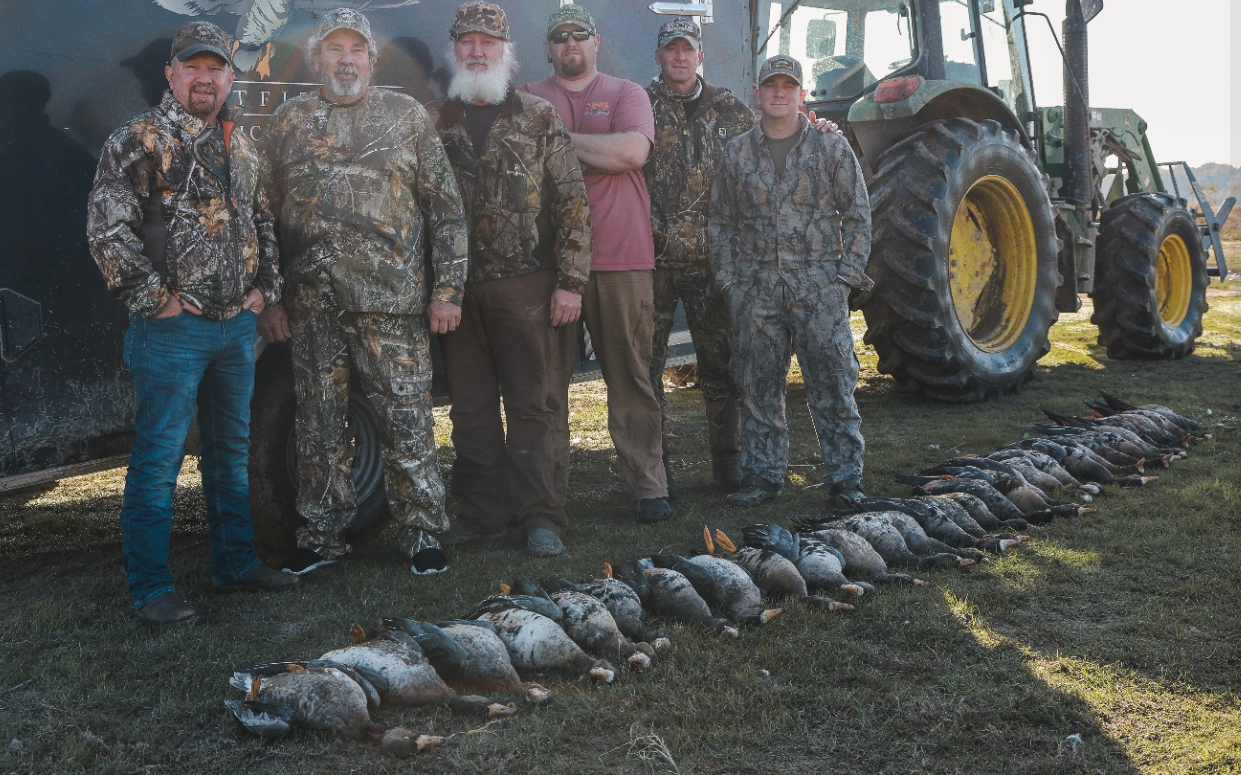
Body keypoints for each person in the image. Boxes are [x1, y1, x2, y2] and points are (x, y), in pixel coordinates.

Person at [86, 21, 298, 624]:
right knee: (159, 458)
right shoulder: (138, 140)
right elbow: (107, 232)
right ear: (171, 73)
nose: (205, 78)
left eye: (216, 68)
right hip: (171, 333)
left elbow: (263, 223)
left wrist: (264, 291)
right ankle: (152, 589)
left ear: (231, 77)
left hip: (236, 330)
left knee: (230, 452)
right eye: (194, 67)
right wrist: (157, 300)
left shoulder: (241, 145)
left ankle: (236, 563)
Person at [257, 8, 469, 576]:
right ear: (317, 58)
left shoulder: (405, 117)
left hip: (391, 304)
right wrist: (271, 297)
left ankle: (422, 532)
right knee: (317, 423)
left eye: (356, 50)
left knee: (407, 421)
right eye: (335, 49)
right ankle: (322, 536)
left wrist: (448, 290)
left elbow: (446, 209)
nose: (345, 60)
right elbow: (263, 215)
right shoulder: (288, 122)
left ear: (372, 60)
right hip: (312, 307)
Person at [427, 2, 593, 557]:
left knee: (531, 406)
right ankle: (482, 514)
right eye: (467, 42)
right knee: (469, 408)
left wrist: (571, 281)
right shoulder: (432, 121)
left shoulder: (538, 116)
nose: (478, 51)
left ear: (506, 51)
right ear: (454, 49)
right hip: (455, 293)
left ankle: (542, 516)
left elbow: (572, 201)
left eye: (488, 42)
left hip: (525, 286)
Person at [524, 4, 673, 525]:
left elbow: (630, 153)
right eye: (560, 36)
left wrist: (555, 140)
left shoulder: (627, 93)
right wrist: (593, 148)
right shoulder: (527, 97)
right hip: (547, 264)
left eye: (580, 35)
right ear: (548, 48)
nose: (571, 43)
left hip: (621, 256)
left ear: (596, 42)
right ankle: (546, 498)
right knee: (545, 385)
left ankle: (648, 487)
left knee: (630, 375)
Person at [708, 54, 873, 508]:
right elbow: (720, 221)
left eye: (788, 86)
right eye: (771, 85)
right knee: (757, 389)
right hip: (755, 290)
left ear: (801, 95)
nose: (778, 93)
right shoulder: (737, 152)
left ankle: (845, 478)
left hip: (819, 287)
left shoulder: (830, 147)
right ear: (757, 93)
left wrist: (845, 279)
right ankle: (763, 476)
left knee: (833, 385)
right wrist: (730, 282)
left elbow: (858, 214)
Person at [643, 16, 756, 497]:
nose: (680, 56)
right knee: (646, 372)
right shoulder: (638, 107)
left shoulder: (731, 110)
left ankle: (729, 467)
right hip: (652, 262)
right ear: (658, 56)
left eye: (687, 48)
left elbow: (768, 154)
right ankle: (656, 474)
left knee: (721, 365)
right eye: (671, 48)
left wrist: (820, 128)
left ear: (700, 55)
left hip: (713, 263)